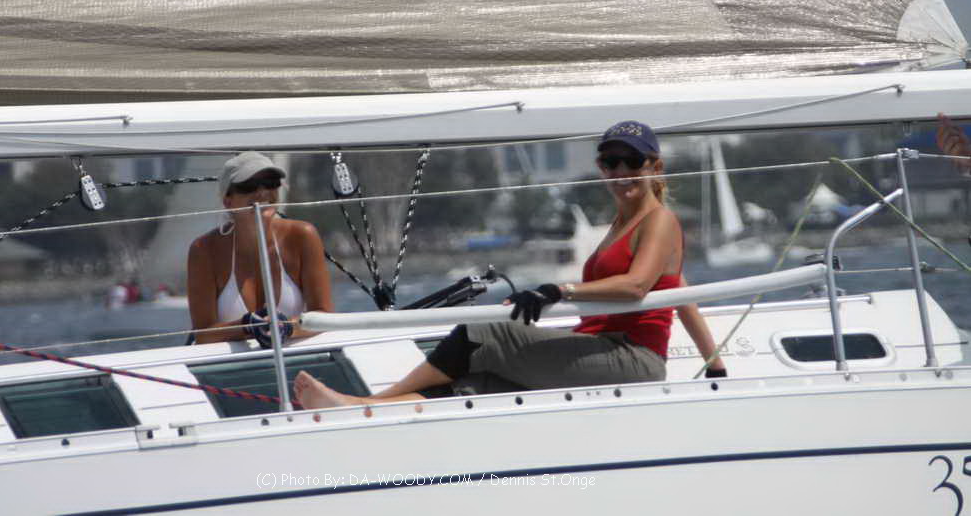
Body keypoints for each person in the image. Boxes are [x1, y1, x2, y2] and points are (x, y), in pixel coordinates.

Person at [294, 121, 723, 410]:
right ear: (600, 167)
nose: (621, 171)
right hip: (597, 347)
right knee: (476, 385)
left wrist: (558, 290)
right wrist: (715, 361)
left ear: (654, 166)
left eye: (633, 161)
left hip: (631, 357)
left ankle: (366, 403)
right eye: (611, 162)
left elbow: (636, 286)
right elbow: (680, 292)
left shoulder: (659, 220)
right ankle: (366, 411)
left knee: (487, 332)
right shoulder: (620, 224)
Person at [187, 152, 333, 345]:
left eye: (271, 183)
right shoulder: (203, 250)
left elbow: (325, 316)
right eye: (249, 186)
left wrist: (287, 327)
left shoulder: (303, 235)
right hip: (231, 361)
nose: (263, 192)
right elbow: (203, 334)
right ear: (228, 201)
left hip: (295, 357)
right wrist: (247, 326)